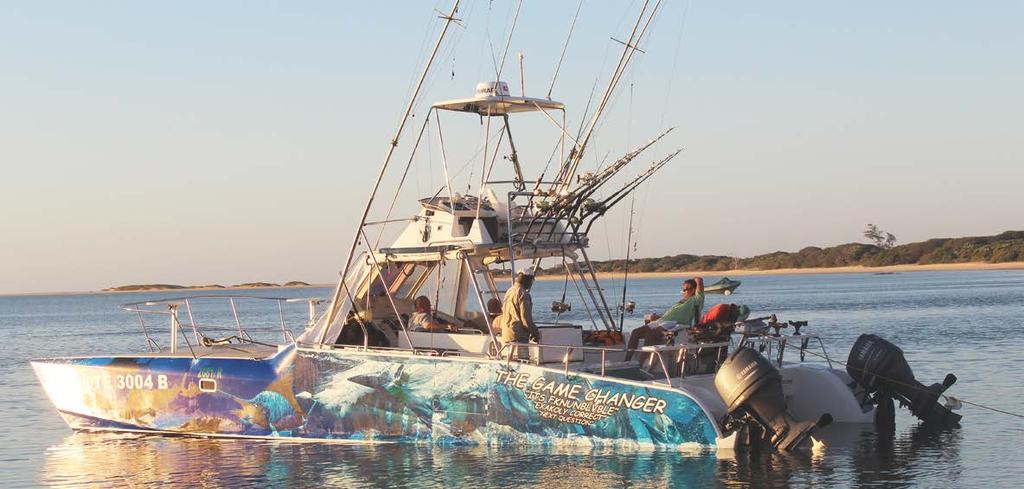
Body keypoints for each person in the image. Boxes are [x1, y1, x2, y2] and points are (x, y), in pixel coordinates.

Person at [624, 277, 704, 361]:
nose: (683, 292)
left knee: (651, 334)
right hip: (662, 321)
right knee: (635, 332)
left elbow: (699, 280)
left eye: (686, 289)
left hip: (675, 323)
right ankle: (627, 361)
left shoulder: (697, 299)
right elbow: (670, 315)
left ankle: (641, 363)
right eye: (683, 289)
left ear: (693, 290)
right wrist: (657, 317)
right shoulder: (681, 302)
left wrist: (695, 281)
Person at [498, 268, 540, 345]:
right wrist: (535, 333)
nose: (531, 283)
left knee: (511, 357)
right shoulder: (523, 294)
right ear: (527, 279)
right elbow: (525, 319)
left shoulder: (509, 291)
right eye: (531, 281)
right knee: (523, 357)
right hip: (519, 336)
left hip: (507, 333)